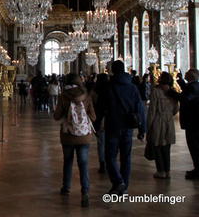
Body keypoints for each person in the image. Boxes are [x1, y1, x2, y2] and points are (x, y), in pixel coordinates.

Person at [96, 60, 146, 195]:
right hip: (128, 126)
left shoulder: (108, 86)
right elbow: (140, 109)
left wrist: (96, 125)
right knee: (126, 157)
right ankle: (124, 186)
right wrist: (142, 129)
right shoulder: (133, 87)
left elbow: (100, 108)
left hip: (113, 125)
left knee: (110, 156)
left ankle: (119, 182)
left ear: (112, 70)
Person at [53, 73, 96, 208]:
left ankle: (66, 187)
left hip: (68, 135)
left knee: (68, 161)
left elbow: (56, 116)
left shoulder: (64, 96)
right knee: (83, 163)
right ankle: (85, 192)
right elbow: (93, 117)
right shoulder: (86, 96)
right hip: (84, 136)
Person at [146, 72, 179, 178]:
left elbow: (152, 111)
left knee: (157, 146)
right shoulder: (172, 92)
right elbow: (176, 108)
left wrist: (148, 126)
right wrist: (169, 114)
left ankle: (161, 170)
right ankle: (168, 170)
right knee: (166, 147)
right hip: (169, 121)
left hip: (158, 121)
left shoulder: (156, 91)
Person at [180, 69, 199, 179]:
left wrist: (172, 93)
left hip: (193, 122)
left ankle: (197, 170)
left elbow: (186, 98)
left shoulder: (193, 87)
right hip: (195, 122)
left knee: (194, 147)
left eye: (187, 73)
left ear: (191, 76)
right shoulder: (194, 86)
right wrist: (182, 83)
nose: (186, 74)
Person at [91, 73, 109, 174]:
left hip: (98, 119)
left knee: (101, 143)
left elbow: (91, 107)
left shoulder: (94, 92)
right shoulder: (111, 90)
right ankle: (110, 162)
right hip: (110, 120)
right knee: (110, 142)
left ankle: (102, 164)